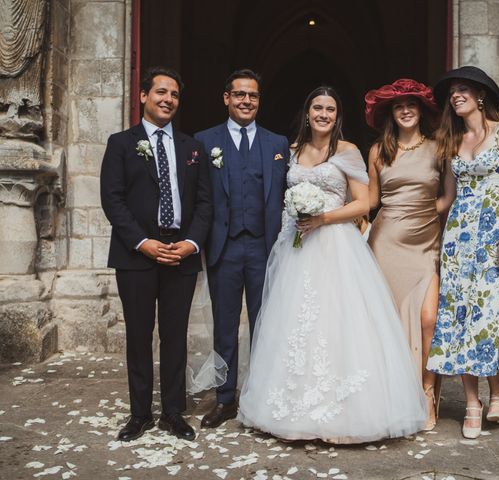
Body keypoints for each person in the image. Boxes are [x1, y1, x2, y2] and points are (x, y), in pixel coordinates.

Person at [237, 86, 427, 443]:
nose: (323, 114)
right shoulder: (291, 151)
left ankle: (347, 413)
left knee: (338, 323)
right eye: (317, 107)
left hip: (336, 245)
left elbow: (365, 203)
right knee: (294, 322)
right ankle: (292, 408)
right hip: (296, 245)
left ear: (338, 116)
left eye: (330, 109)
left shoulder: (348, 151)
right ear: (307, 113)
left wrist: (323, 217)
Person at [100, 66, 212, 441]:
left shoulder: (192, 147)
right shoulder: (120, 143)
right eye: (161, 92)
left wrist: (192, 243)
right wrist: (142, 242)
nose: (168, 100)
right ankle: (140, 414)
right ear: (143, 96)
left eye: (175, 95)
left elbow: (204, 203)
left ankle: (173, 413)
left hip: (181, 253)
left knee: (175, 335)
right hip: (136, 255)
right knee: (138, 334)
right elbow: (112, 200)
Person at [427, 66, 499, 439]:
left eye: (463, 89)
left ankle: (497, 394)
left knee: (490, 315)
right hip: (457, 241)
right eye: (452, 92)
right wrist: (402, 211)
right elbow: (448, 198)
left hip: (491, 239)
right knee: (460, 316)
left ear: (480, 95)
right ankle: (471, 402)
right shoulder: (454, 141)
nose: (455, 96)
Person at [195, 69, 290, 429]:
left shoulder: (277, 143)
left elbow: (287, 196)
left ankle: (263, 394)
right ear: (226, 98)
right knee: (225, 326)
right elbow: (198, 197)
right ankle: (225, 399)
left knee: (266, 324)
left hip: (266, 248)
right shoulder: (204, 142)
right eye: (239, 95)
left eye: (252, 95)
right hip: (225, 247)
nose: (246, 101)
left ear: (258, 100)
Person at [365, 79, 455, 431]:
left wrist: (423, 213)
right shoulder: (377, 151)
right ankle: (391, 394)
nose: (405, 110)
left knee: (428, 318)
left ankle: (427, 391)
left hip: (425, 240)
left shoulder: (439, 148)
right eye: (399, 105)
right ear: (391, 112)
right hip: (385, 242)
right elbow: (371, 203)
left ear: (421, 111)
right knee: (386, 323)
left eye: (412, 105)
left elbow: (448, 198)